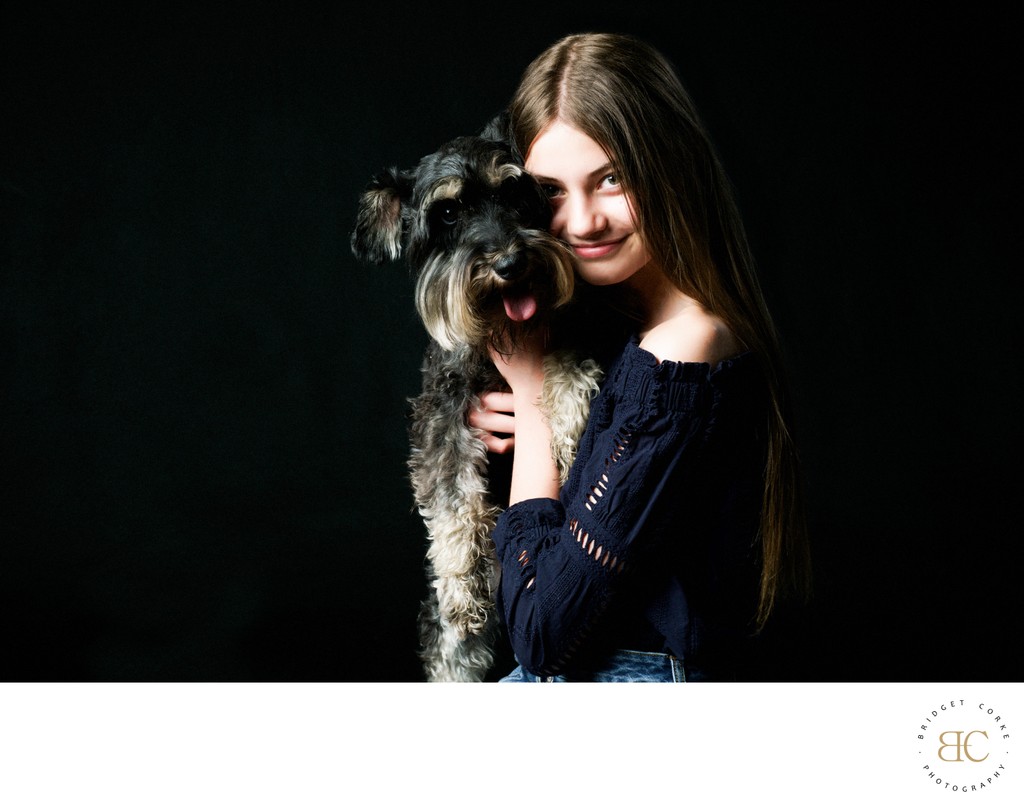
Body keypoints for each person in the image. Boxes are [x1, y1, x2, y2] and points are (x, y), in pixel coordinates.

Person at [468, 32, 812, 682]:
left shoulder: (685, 348)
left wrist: (537, 403)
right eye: (551, 191)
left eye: (612, 179)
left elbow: (541, 631)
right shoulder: (625, 319)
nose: (583, 222)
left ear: (669, 165)